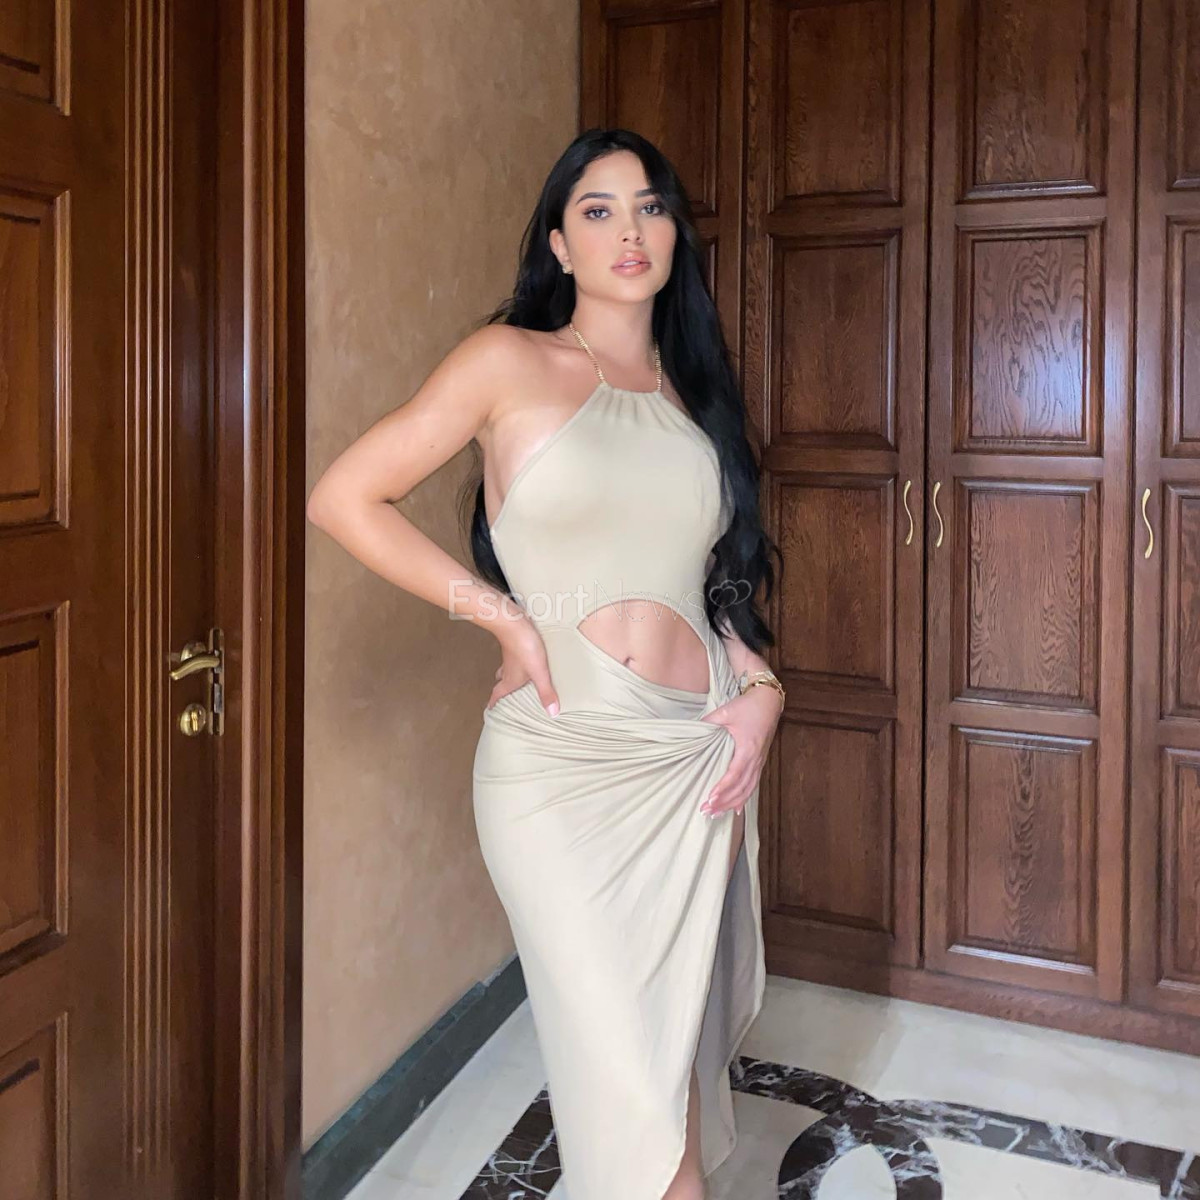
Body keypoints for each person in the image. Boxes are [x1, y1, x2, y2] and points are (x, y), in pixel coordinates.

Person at [307, 127, 784, 1200]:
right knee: (632, 1101)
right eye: (598, 210)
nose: (630, 229)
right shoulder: (505, 362)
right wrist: (506, 623)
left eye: (651, 206)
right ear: (560, 245)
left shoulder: (692, 392)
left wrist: (763, 690)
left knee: (664, 1076)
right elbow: (343, 497)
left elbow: (713, 587)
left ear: (675, 234)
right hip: (560, 774)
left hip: (691, 769)